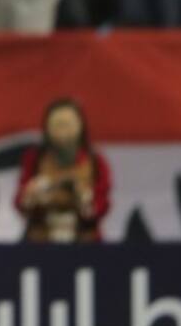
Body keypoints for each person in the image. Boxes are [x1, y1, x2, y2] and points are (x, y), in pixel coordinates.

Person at [16, 98, 111, 242]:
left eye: (67, 124)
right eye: (57, 124)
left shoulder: (95, 161)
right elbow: (21, 202)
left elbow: (101, 204)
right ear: (47, 128)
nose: (62, 130)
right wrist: (31, 195)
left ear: (80, 125)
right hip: (41, 239)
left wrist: (84, 197)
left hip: (83, 240)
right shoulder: (34, 159)